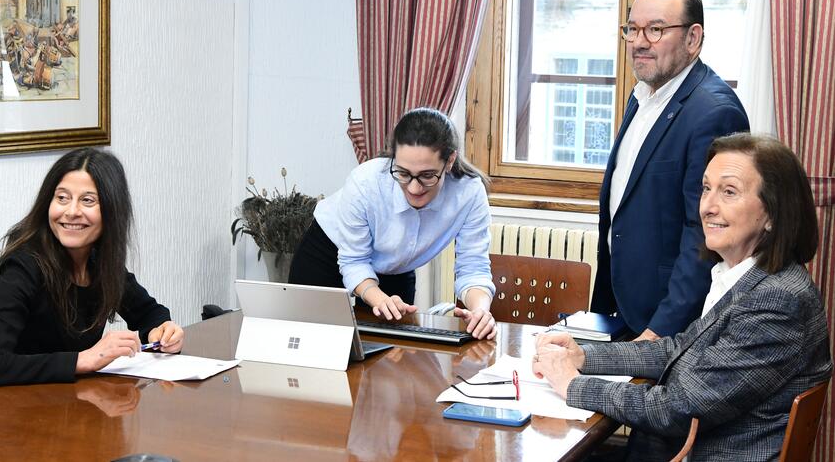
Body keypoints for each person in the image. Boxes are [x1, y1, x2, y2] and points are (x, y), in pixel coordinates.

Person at [532, 134, 832, 461]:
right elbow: (678, 349)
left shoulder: (777, 301)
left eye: (729, 192)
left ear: (773, 213)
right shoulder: (746, 277)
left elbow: (678, 409)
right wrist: (584, 357)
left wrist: (573, 384)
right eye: (706, 188)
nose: (708, 206)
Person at [590, 0, 751, 341]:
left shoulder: (714, 112)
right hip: (623, 309)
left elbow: (706, 237)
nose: (639, 41)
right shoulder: (645, 93)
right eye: (632, 29)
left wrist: (659, 331)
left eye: (656, 29)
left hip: (667, 324)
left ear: (693, 39)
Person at [0, 148, 184, 393]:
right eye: (62, 198)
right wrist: (83, 359)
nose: (71, 211)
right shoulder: (20, 268)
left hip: (76, 407)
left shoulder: (98, 261)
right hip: (19, 414)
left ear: (112, 210)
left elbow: (148, 313)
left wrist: (162, 331)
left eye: (88, 200)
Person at [289, 107, 497, 339]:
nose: (414, 188)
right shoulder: (365, 183)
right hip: (327, 256)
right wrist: (378, 299)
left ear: (449, 162)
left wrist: (480, 310)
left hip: (395, 268)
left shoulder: (469, 193)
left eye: (428, 175)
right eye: (403, 173)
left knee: (394, 357)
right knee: (314, 347)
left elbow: (473, 267)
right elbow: (354, 261)